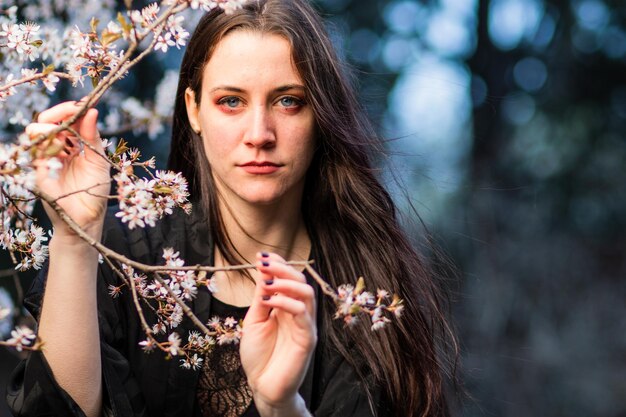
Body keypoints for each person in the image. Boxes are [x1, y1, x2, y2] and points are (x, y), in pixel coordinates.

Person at [7, 1, 456, 416]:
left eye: (288, 101)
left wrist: (281, 405)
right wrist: (74, 234)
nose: (259, 132)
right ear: (194, 110)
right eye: (231, 102)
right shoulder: (125, 258)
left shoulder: (363, 295)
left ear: (320, 115)